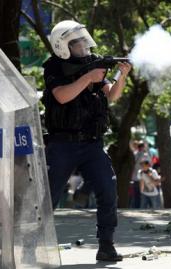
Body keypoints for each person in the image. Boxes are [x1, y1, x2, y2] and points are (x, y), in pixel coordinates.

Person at [42, 20, 131, 262]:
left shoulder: (92, 63)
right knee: (48, 196)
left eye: (83, 40)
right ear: (63, 45)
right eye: (77, 42)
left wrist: (121, 76)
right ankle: (33, 246)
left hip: (92, 143)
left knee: (108, 188)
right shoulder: (53, 67)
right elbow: (61, 96)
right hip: (63, 143)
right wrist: (87, 78)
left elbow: (111, 94)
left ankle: (106, 245)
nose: (83, 45)